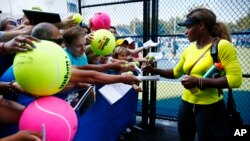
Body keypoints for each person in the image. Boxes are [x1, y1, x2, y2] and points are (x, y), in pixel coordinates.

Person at [142, 8, 242, 141]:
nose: (185, 32)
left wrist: (199, 81)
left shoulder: (222, 46)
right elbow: (175, 73)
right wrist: (153, 70)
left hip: (210, 107)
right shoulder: (188, 50)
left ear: (201, 25)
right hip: (186, 105)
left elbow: (235, 80)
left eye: (189, 27)